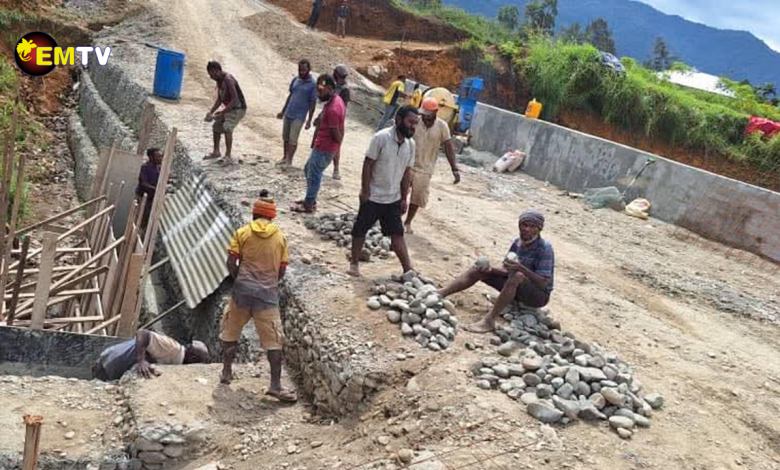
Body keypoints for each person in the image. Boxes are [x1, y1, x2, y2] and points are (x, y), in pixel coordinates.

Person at [221, 191, 297, 402]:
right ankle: (275, 386)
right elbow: (282, 269)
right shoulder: (280, 237)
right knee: (273, 340)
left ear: (254, 214)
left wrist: (239, 280)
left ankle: (226, 372)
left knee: (230, 330)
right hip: (267, 296)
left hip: (241, 292)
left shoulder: (243, 232)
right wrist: (269, 282)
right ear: (272, 217)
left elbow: (231, 262)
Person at [438, 210, 555, 334]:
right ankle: (441, 293)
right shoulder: (518, 243)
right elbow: (506, 269)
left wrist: (521, 268)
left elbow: (543, 282)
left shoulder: (545, 248)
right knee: (479, 269)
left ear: (539, 229)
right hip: (517, 286)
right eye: (524, 225)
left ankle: (489, 320)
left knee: (518, 275)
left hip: (538, 296)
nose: (527, 229)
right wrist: (490, 269)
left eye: (532, 227)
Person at [349, 106, 419, 277]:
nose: (413, 127)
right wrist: (365, 191)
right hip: (373, 196)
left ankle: (407, 269)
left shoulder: (410, 144)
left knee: (397, 233)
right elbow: (368, 164)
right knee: (360, 229)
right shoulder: (381, 138)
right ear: (399, 120)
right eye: (410, 122)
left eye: (415, 123)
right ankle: (354, 263)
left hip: (393, 198)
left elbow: (407, 172)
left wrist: (404, 198)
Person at [404, 97, 460, 233]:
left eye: (428, 115)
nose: (425, 117)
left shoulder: (442, 127)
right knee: (400, 194)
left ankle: (407, 222)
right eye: (423, 114)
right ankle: (393, 219)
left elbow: (448, 147)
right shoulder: (415, 122)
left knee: (417, 198)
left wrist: (454, 168)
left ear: (436, 112)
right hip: (407, 165)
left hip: (425, 169)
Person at [292, 74, 346, 214]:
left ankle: (309, 205)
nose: (318, 93)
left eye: (321, 91)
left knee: (314, 174)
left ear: (330, 89)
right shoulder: (336, 100)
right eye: (317, 90)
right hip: (323, 146)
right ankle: (311, 199)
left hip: (325, 148)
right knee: (308, 170)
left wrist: (335, 147)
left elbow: (336, 133)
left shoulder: (333, 108)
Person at [92, 329, 208, 381]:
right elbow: (143, 333)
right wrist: (141, 360)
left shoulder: (175, 359)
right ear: (192, 358)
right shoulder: (173, 348)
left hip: (114, 366)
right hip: (110, 362)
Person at [204, 61, 248, 165]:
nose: (211, 77)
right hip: (230, 108)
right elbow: (220, 99)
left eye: (212, 74)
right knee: (216, 126)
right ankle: (216, 151)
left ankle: (228, 155)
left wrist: (223, 112)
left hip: (238, 109)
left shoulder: (228, 80)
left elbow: (235, 99)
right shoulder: (219, 80)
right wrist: (211, 111)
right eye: (210, 75)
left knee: (227, 127)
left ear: (218, 71)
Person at [277, 59, 317, 166]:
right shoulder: (295, 80)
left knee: (293, 139)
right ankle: (284, 157)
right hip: (289, 112)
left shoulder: (313, 85)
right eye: (300, 69)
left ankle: (289, 160)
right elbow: (290, 95)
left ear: (309, 69)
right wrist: (283, 111)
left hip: (299, 116)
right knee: (285, 137)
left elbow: (313, 103)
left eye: (304, 70)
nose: (301, 72)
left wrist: (309, 120)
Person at [136, 148, 163, 231]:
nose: (160, 158)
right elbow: (143, 183)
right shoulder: (145, 167)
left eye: (161, 156)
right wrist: (156, 189)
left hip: (152, 198)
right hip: (143, 198)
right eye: (158, 156)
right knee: (142, 218)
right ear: (151, 157)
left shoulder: (159, 168)